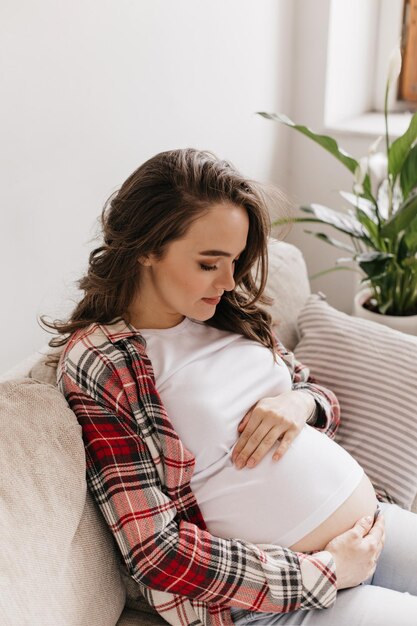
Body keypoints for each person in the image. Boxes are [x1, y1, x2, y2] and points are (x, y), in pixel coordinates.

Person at [45, 148, 417, 626]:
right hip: (282, 597)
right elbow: (157, 551)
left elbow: (320, 397)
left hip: (370, 530)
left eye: (236, 259)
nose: (228, 280)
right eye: (208, 263)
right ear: (146, 248)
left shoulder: (223, 311)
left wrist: (298, 402)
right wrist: (325, 571)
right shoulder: (102, 361)